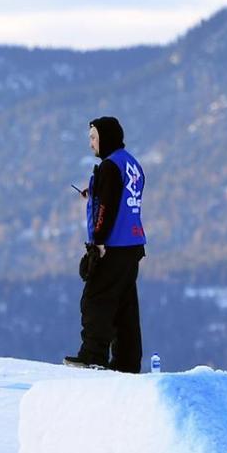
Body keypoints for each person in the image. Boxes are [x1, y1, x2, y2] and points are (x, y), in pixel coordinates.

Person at [65, 116, 146, 372]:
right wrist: (94, 194)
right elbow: (119, 197)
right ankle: (126, 362)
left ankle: (92, 355)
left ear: (105, 137)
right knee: (124, 305)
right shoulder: (131, 163)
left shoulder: (110, 166)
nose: (90, 144)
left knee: (95, 299)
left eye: (93, 137)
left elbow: (108, 209)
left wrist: (98, 243)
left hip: (113, 245)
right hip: (133, 245)